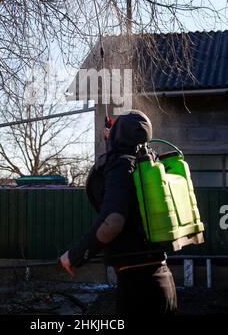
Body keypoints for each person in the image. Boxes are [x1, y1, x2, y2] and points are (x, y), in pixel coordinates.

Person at [60, 110, 177, 315]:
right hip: (163, 280)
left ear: (118, 135)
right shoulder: (149, 164)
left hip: (138, 289)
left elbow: (112, 222)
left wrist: (76, 255)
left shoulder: (121, 164)